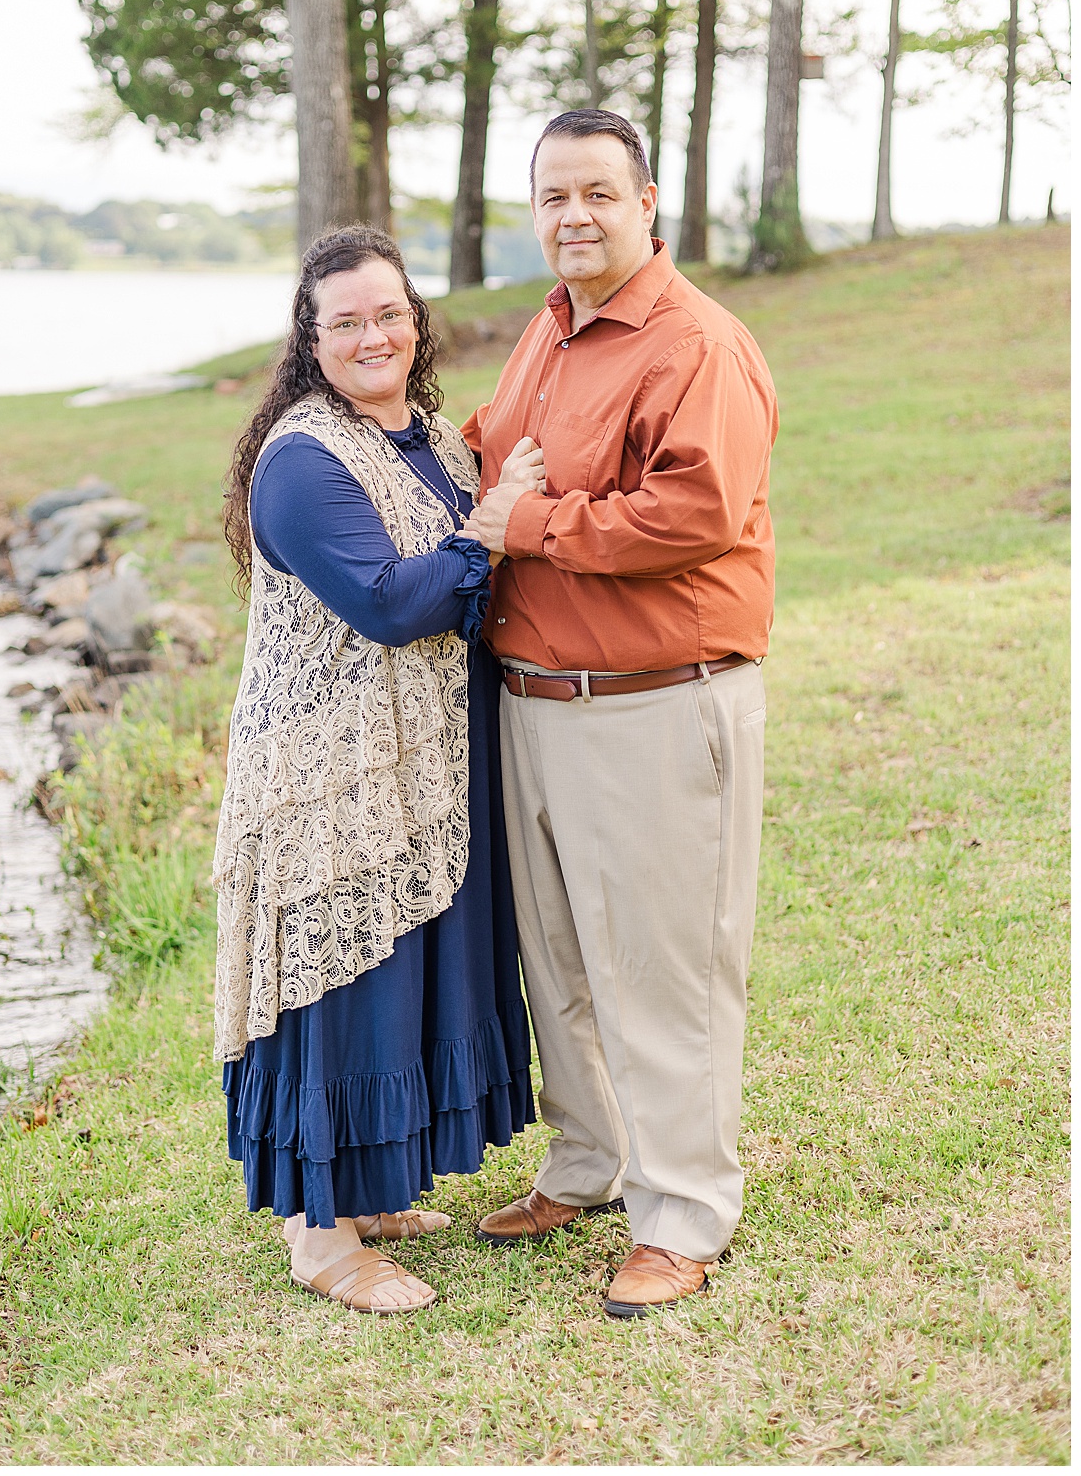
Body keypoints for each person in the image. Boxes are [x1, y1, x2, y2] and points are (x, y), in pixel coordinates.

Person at [458, 108, 779, 1319]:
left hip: (654, 704)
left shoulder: (696, 343)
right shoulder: (547, 331)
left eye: (598, 191)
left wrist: (532, 521)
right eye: (553, 195)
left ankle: (683, 1211)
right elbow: (488, 455)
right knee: (560, 959)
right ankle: (588, 1159)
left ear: (648, 200)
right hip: (535, 701)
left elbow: (696, 512)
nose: (574, 215)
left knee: (663, 967)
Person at [215, 224, 541, 1315]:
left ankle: (369, 1192)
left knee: (401, 976)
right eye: (345, 320)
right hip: (329, 771)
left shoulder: (434, 438)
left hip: (425, 754)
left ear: (417, 321)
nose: (373, 336)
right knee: (340, 986)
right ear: (310, 339)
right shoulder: (302, 460)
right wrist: (492, 528)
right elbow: (393, 604)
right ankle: (319, 1235)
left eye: (390, 313)